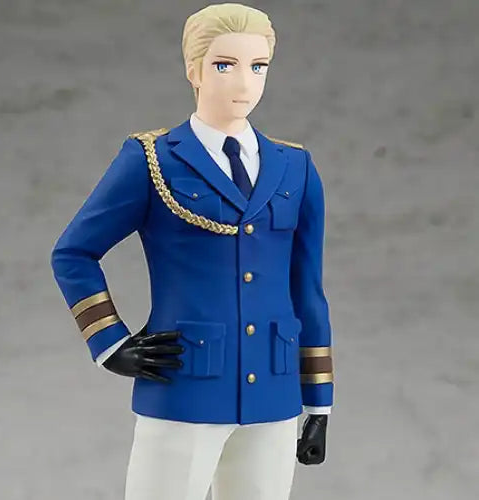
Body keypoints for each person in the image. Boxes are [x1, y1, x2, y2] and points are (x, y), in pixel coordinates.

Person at [50, 3, 334, 499]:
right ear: (194, 70)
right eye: (224, 64)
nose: (244, 82)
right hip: (184, 385)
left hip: (273, 388)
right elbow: (74, 252)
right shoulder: (152, 159)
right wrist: (109, 342)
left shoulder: (295, 167)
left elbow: (307, 290)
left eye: (258, 66)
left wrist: (319, 402)